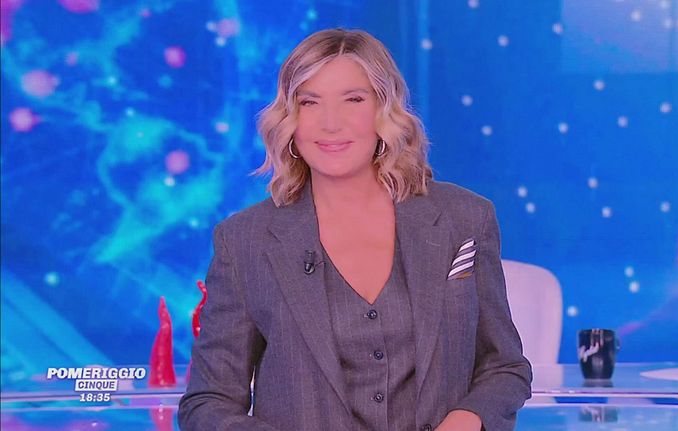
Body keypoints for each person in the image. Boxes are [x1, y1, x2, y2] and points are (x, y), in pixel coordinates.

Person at [178, 28, 532, 431]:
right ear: (290, 120)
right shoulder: (245, 241)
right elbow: (208, 403)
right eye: (309, 102)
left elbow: (504, 367)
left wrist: (465, 421)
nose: (331, 123)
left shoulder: (464, 218)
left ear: (384, 109)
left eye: (353, 100)